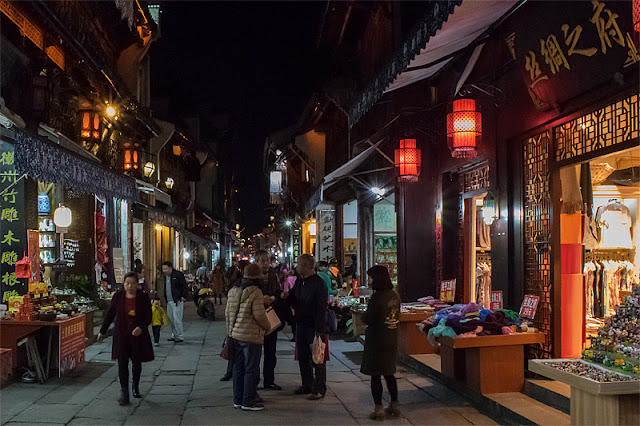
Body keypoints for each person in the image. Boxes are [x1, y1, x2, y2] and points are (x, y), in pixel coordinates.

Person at [97, 272, 154, 405]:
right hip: (122, 335)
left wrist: (141, 327)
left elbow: (148, 316)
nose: (130, 286)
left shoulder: (143, 297)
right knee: (122, 364)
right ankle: (125, 393)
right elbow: (110, 314)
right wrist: (102, 331)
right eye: (127, 283)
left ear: (137, 284)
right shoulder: (118, 297)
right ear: (123, 284)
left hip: (137, 336)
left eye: (133, 283)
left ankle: (135, 386)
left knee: (136, 362)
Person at [225, 264, 271, 411]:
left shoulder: (233, 290)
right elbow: (259, 315)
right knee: (251, 369)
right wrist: (268, 326)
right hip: (251, 336)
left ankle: (238, 400)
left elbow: (228, 314)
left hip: (236, 335)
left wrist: (231, 331)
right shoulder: (255, 291)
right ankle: (248, 401)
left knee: (239, 368)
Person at [282, 254, 328, 400]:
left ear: (309, 266)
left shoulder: (319, 284)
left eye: (299, 264)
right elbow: (294, 300)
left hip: (314, 326)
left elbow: (321, 308)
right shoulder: (299, 282)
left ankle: (319, 388)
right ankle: (307, 384)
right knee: (303, 357)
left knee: (317, 358)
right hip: (301, 324)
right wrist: (286, 297)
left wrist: (319, 329)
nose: (297, 267)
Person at [360, 265, 401, 420]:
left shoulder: (377, 297)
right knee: (389, 373)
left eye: (371, 278)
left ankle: (378, 408)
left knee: (375, 375)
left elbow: (369, 318)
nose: (370, 281)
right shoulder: (394, 295)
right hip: (391, 337)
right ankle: (395, 404)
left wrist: (363, 316)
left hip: (376, 340)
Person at [255, 250, 283, 391]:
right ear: (256, 262)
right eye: (262, 261)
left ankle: (269, 380)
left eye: (267, 260)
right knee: (254, 353)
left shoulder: (274, 275)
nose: (265, 263)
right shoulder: (252, 275)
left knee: (271, 352)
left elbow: (278, 293)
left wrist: (273, 299)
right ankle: (253, 381)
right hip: (255, 320)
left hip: (271, 317)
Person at [221, 259, 250, 382]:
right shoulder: (241, 285)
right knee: (240, 353)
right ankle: (231, 373)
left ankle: (230, 373)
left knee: (235, 349)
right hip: (240, 323)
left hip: (236, 323)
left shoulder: (237, 284)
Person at [162, 261, 188, 343]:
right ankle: (174, 334)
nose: (164, 271)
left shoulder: (178, 275)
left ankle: (180, 336)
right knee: (171, 319)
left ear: (170, 268)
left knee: (177, 319)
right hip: (169, 300)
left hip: (176, 300)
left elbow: (184, 286)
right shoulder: (165, 277)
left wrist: (183, 296)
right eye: (163, 269)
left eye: (166, 269)